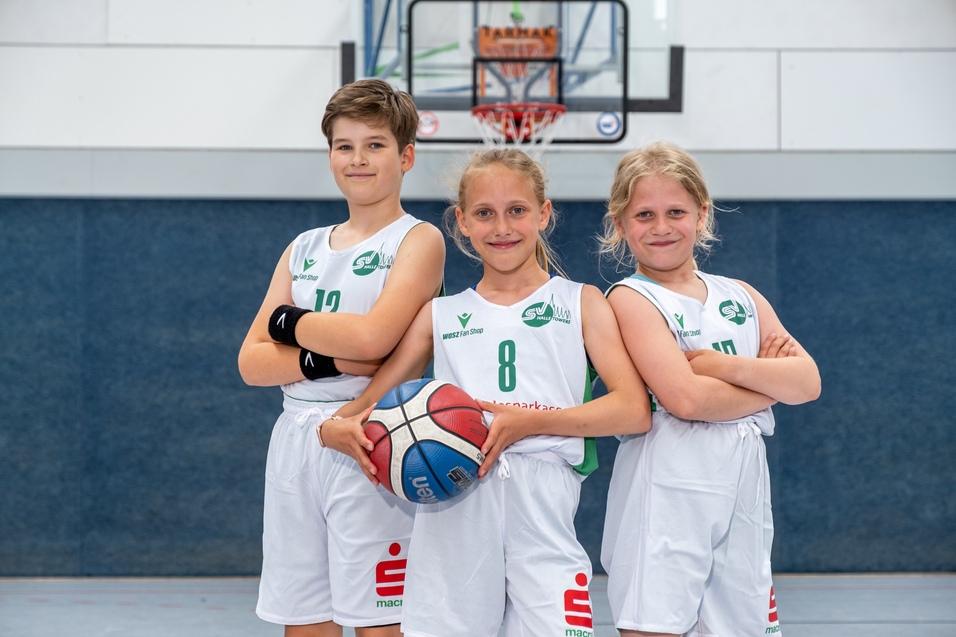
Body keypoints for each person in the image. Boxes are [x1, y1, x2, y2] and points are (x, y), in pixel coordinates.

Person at [321, 148, 651, 636]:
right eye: (484, 213)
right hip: (455, 500)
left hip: (543, 502)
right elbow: (368, 403)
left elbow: (632, 410)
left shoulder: (580, 302)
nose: (502, 227)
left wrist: (530, 422)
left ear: (544, 213)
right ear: (462, 223)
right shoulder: (441, 315)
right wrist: (333, 428)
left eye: (517, 210)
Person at [237, 78, 445, 637]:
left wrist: (289, 325)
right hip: (296, 436)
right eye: (344, 146)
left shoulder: (417, 239)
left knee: (380, 620)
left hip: (371, 429)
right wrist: (328, 358)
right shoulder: (302, 246)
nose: (358, 159)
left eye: (375, 145)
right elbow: (252, 363)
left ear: (405, 156)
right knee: (303, 618)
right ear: (330, 155)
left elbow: (375, 341)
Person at [598, 141, 821, 637]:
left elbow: (808, 383)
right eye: (644, 214)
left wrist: (720, 364)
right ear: (619, 223)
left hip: (742, 484)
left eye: (676, 211)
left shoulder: (740, 294)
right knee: (654, 626)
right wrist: (769, 383)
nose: (661, 227)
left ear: (702, 214)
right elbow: (688, 400)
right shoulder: (632, 299)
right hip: (667, 487)